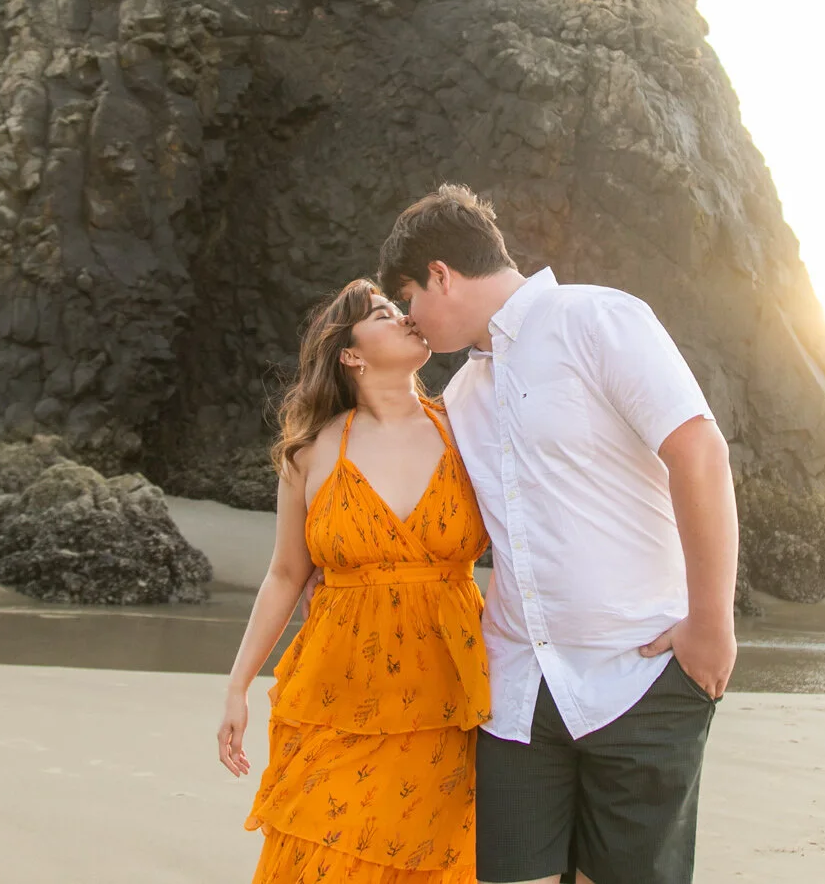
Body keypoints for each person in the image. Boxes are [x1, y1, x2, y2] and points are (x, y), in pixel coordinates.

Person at [377, 184, 739, 884]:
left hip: (641, 674)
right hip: (518, 696)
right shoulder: (459, 397)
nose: (412, 322)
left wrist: (711, 623)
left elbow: (699, 453)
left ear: (442, 275)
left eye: (409, 299)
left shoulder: (598, 319)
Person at [220, 277, 492, 884]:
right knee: (317, 856)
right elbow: (286, 574)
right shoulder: (311, 452)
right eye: (383, 313)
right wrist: (237, 686)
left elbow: (534, 542)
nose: (405, 317)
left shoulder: (468, 429)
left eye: (401, 308)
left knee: (429, 860)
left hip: (447, 694)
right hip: (335, 693)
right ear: (350, 353)